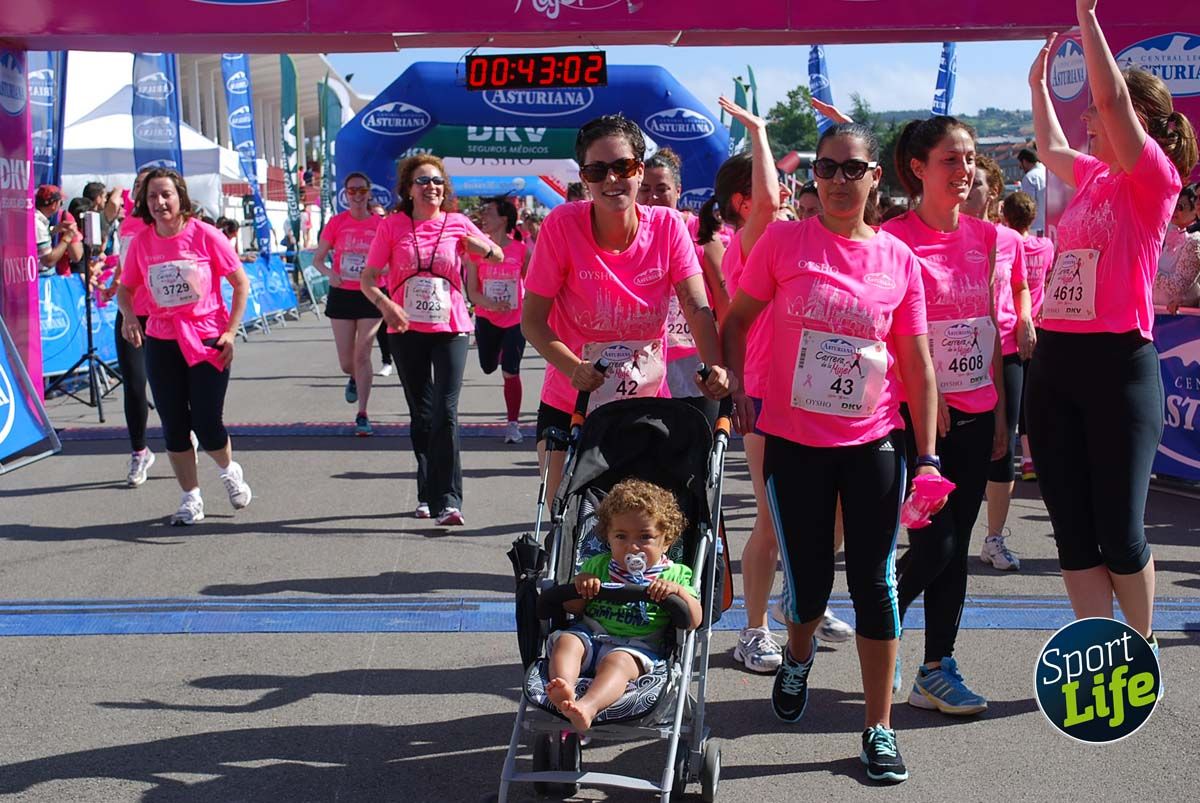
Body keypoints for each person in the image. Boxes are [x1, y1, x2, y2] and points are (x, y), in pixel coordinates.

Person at [722, 121, 940, 784]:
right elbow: (735, 322)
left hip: (874, 440)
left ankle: (878, 727)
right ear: (812, 178)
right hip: (792, 442)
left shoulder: (899, 260)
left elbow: (919, 365)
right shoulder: (786, 240)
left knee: (876, 582)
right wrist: (738, 394)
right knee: (810, 587)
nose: (839, 180)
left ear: (877, 177)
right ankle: (796, 654)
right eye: (827, 169)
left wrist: (927, 456)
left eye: (853, 168)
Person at [1027, 0, 1198, 658]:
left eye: (1099, 109)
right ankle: (1099, 651)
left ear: (1139, 120)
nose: (1090, 116)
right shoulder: (1096, 176)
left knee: (1120, 531)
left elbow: (1109, 94)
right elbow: (1048, 147)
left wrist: (1086, 15)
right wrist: (1038, 85)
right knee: (1072, 528)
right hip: (1056, 366)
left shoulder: (1154, 177)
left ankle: (1140, 641)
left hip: (1119, 369)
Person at [521, 114, 732, 508]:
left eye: (623, 167)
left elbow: (696, 305)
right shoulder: (562, 225)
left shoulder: (668, 226)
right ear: (584, 177)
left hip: (646, 405)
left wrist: (716, 364)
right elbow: (532, 322)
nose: (612, 180)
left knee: (643, 530)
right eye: (597, 170)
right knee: (566, 521)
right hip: (573, 403)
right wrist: (573, 368)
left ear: (640, 168)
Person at [882, 115, 1008, 715]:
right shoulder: (893, 239)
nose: (965, 170)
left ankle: (937, 667)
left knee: (955, 552)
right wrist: (929, 403)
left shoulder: (988, 238)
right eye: (951, 160)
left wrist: (1002, 417)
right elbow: (887, 336)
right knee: (937, 546)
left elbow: (988, 333)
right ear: (918, 168)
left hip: (980, 410)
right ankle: (881, 626)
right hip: (918, 416)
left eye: (970, 158)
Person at [362, 155, 502, 526]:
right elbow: (369, 278)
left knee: (447, 411)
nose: (432, 187)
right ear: (409, 189)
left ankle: (450, 499)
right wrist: (387, 305)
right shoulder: (393, 226)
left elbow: (498, 253)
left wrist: (480, 247)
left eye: (438, 181)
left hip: (451, 327)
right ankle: (427, 491)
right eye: (423, 181)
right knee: (422, 415)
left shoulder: (457, 223)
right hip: (406, 330)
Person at [115, 168, 253, 526]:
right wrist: (130, 316)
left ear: (180, 197)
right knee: (174, 424)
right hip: (162, 339)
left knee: (207, 423)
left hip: (207, 338)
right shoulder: (143, 242)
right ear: (144, 204)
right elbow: (124, 289)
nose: (159, 203)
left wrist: (231, 331)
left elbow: (240, 284)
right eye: (152, 197)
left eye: (166, 195)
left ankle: (228, 470)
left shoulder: (205, 235)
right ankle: (191, 498)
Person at [545, 478, 702, 733]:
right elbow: (573, 608)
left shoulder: (675, 575)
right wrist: (581, 587)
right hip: (591, 633)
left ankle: (587, 706)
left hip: (637, 646)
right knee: (566, 642)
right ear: (607, 536)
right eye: (621, 536)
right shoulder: (598, 565)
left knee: (616, 662)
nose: (632, 546)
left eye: (645, 537)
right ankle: (564, 687)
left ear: (667, 540)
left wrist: (678, 593)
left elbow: (694, 619)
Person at [963, 155, 1033, 572]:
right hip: (958, 353)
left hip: (1005, 347)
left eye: (978, 184)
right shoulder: (946, 235)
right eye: (965, 182)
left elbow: (1021, 285)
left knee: (1004, 444)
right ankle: (942, 534)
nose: (971, 190)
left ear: (993, 193)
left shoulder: (1010, 240)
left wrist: (1024, 316)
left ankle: (993, 538)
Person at [638, 147, 730, 425]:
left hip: (695, 362)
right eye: (645, 189)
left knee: (698, 450)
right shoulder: (631, 235)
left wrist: (727, 363)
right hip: (647, 363)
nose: (653, 197)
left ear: (678, 191)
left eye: (662, 188)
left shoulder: (701, 233)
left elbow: (725, 301)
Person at [313, 172, 384, 436]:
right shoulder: (336, 223)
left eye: (361, 190)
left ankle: (363, 413)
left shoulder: (380, 224)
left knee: (363, 352)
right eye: (351, 191)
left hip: (371, 293)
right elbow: (318, 259)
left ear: (368, 192)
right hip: (342, 293)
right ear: (345, 194)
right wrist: (331, 274)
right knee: (347, 361)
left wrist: (382, 271)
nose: (356, 195)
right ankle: (353, 377)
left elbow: (391, 260)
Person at [1000, 191, 1055, 482]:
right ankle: (1033, 459)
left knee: (1015, 403)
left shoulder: (1007, 246)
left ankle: (1024, 459)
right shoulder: (1045, 246)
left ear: (1005, 217)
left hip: (1014, 329)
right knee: (1032, 399)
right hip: (1038, 326)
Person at [467, 196, 531, 443]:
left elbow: (534, 284)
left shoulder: (521, 250)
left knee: (510, 372)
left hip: (515, 321)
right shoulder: (475, 252)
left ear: (504, 218)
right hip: (487, 318)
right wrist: (492, 304)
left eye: (489, 212)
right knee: (488, 366)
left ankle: (513, 425)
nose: (484, 217)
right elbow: (472, 291)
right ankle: (499, 353)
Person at [1154, 185, 1200, 312]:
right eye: (1173, 205)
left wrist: (1148, 273)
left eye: (1180, 207)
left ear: (1194, 211)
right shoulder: (1166, 234)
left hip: (1180, 319)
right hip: (1156, 313)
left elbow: (1178, 286)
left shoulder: (1194, 241)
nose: (1174, 211)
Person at [34, 185, 81, 273]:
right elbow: (49, 260)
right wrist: (67, 238)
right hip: (40, 279)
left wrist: (55, 229)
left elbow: (37, 240)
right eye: (61, 203)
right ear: (54, 205)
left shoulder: (35, 219)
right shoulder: (38, 224)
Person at [1017, 148, 1047, 235]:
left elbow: (1028, 206)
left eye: (1021, 164)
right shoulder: (1048, 172)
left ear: (1025, 161)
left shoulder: (1030, 177)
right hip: (1051, 226)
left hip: (1035, 229)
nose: (1021, 167)